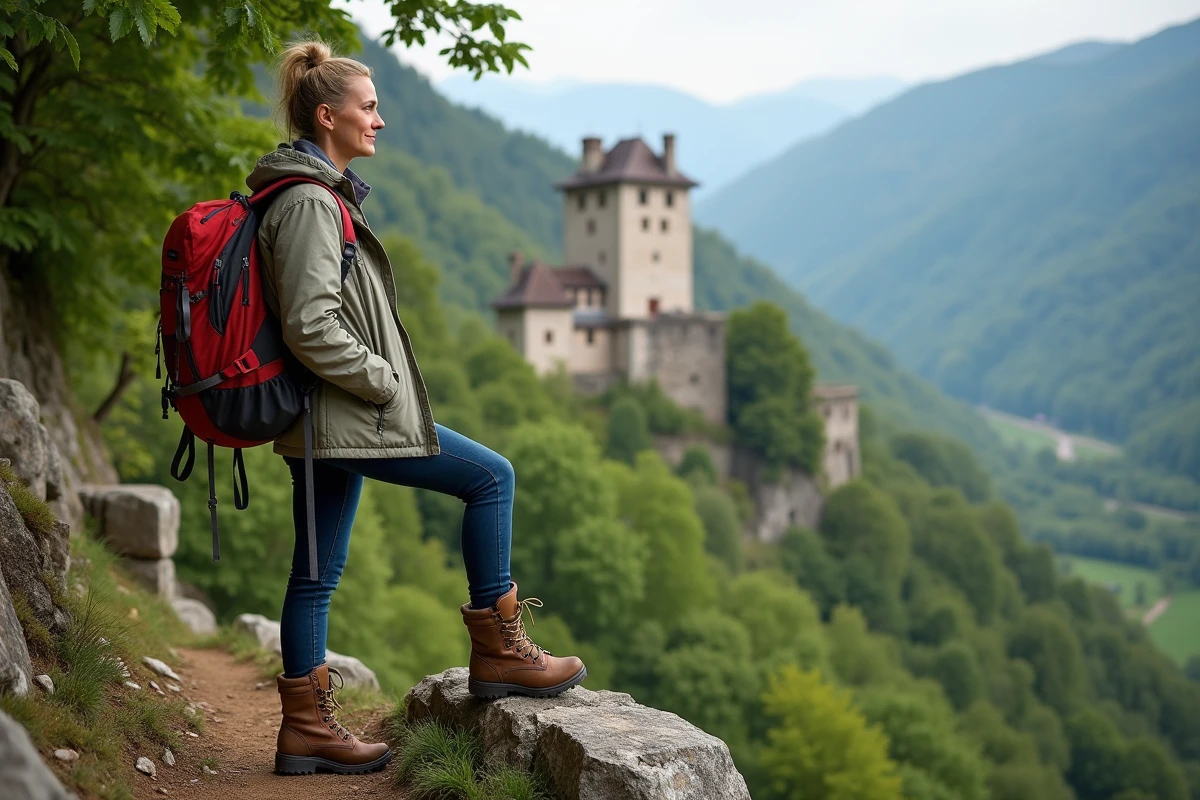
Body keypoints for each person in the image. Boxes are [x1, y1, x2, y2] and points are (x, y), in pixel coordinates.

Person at [247, 40, 586, 777]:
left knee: (315, 574)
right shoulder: (308, 202)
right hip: (347, 414)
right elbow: (309, 322)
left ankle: (306, 732)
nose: (381, 120)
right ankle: (500, 651)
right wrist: (380, 381)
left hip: (325, 418)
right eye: (369, 107)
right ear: (328, 116)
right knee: (490, 477)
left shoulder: (316, 194)